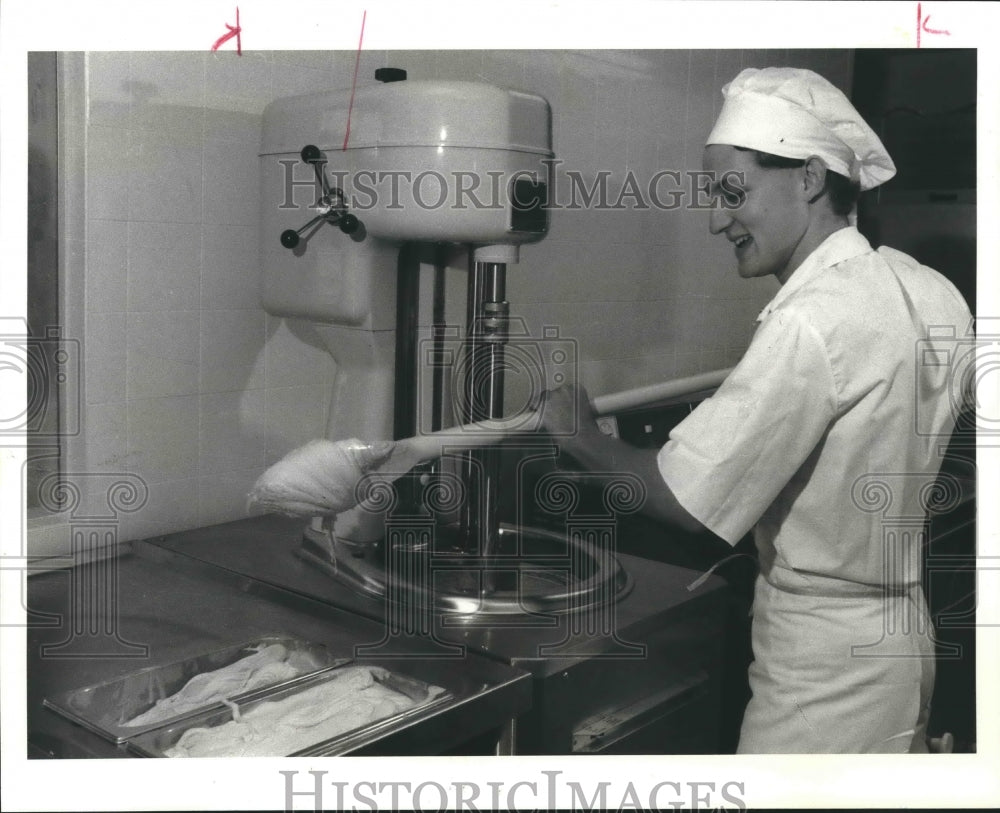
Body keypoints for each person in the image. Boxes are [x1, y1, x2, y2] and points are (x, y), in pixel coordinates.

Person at [537, 67, 974, 754]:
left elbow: (685, 497)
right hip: (905, 640)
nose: (716, 218)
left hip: (822, 667)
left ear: (806, 177)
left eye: (732, 191)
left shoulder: (812, 319)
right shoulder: (933, 289)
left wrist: (581, 436)